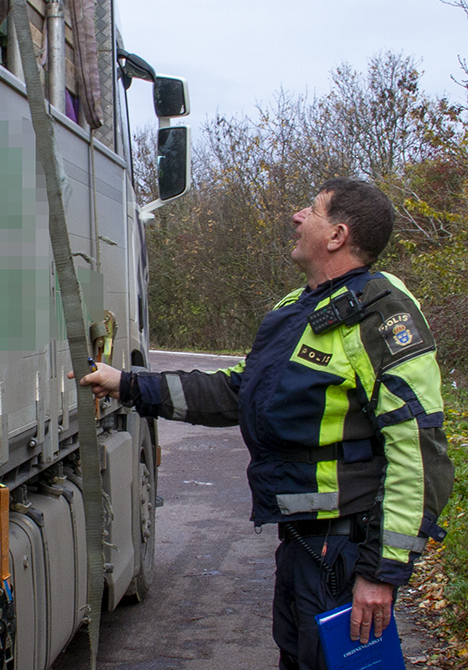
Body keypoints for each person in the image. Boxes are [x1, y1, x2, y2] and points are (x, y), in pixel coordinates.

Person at [70, 177, 454, 670]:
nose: (296, 217)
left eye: (311, 210)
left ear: (336, 235)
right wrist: (127, 384)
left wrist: (382, 573)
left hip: (345, 549)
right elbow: (237, 390)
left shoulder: (380, 316)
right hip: (302, 542)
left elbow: (418, 448)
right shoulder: (296, 309)